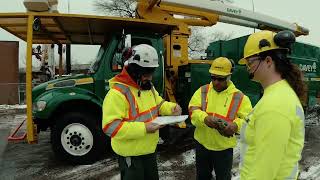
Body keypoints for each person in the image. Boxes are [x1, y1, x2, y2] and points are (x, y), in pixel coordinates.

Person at [102, 44, 182, 180]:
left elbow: (159, 104)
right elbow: (110, 127)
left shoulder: (147, 87)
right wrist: (144, 128)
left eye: (151, 72)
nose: (150, 78)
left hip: (149, 151)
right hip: (132, 156)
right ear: (133, 70)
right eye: (146, 73)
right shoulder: (117, 94)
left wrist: (171, 108)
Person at [238, 30, 307, 179]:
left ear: (268, 61)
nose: (248, 68)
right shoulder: (279, 94)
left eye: (250, 62)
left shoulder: (275, 104)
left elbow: (264, 171)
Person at [188, 57, 252, 180]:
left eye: (220, 79)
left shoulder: (240, 98)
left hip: (223, 149)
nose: (216, 82)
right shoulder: (203, 91)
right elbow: (193, 110)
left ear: (229, 76)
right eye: (213, 77)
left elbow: (249, 121)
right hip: (202, 145)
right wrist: (205, 119)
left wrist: (235, 126)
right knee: (202, 177)